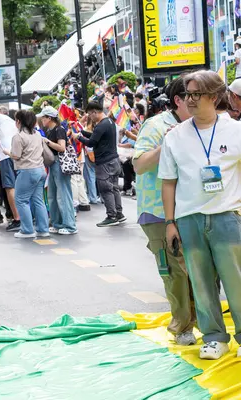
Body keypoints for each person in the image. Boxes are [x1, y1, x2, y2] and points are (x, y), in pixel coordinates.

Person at [160, 70, 241, 360]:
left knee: (236, 280)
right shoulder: (175, 137)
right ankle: (214, 337)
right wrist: (170, 223)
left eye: (195, 94)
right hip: (189, 219)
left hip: (227, 216)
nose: (189, 100)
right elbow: (168, 182)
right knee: (201, 281)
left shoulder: (235, 131)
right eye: (186, 95)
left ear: (214, 96)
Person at [132, 75, 196, 347]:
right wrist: (165, 146)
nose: (198, 101)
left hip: (191, 208)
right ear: (178, 100)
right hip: (158, 211)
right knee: (175, 272)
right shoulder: (156, 125)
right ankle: (182, 327)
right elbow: (139, 164)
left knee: (197, 269)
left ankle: (203, 323)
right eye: (192, 96)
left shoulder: (199, 125)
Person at [74, 102, 124, 227]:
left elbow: (91, 142)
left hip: (105, 163)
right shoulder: (110, 122)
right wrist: (82, 133)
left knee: (106, 189)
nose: (90, 117)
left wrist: (78, 137)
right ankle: (119, 213)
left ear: (95, 112)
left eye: (90, 114)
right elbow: (97, 137)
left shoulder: (101, 125)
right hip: (114, 160)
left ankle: (111, 216)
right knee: (114, 188)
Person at [4, 110, 49, 238]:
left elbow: (16, 155)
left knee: (21, 200)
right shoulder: (37, 135)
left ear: (19, 121)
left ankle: (27, 230)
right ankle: (43, 229)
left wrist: (8, 153)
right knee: (38, 201)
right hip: (40, 170)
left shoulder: (18, 137)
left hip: (27, 171)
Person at [38, 106, 77, 235]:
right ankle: (57, 223)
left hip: (59, 163)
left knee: (63, 195)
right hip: (53, 164)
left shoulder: (59, 129)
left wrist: (47, 142)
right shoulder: (50, 130)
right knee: (53, 196)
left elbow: (61, 148)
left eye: (43, 117)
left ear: (49, 118)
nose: (42, 120)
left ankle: (70, 225)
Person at [0, 107, 21, 232]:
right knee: (18, 186)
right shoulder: (11, 121)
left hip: (6, 156)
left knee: (9, 187)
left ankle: (17, 219)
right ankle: (23, 216)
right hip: (17, 155)